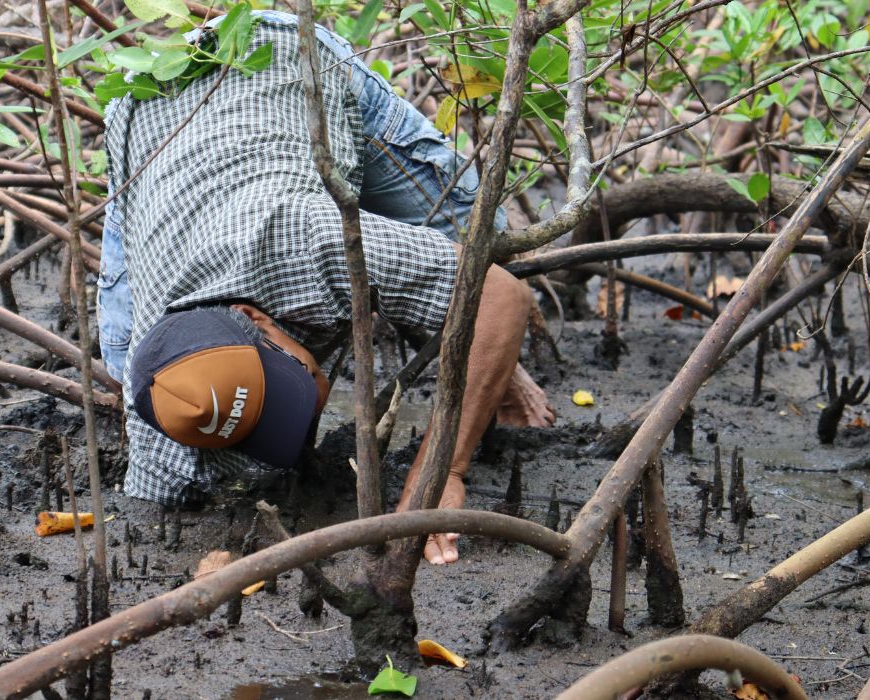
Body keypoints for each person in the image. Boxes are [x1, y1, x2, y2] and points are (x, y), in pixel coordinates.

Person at [102, 12, 550, 565]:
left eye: (288, 389)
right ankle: (449, 305)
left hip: (284, 61)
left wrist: (443, 470)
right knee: (114, 353)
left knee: (481, 233)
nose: (305, 402)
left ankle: (487, 356)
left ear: (260, 319)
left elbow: (500, 294)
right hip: (141, 113)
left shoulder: (305, 238)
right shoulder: (152, 390)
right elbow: (152, 501)